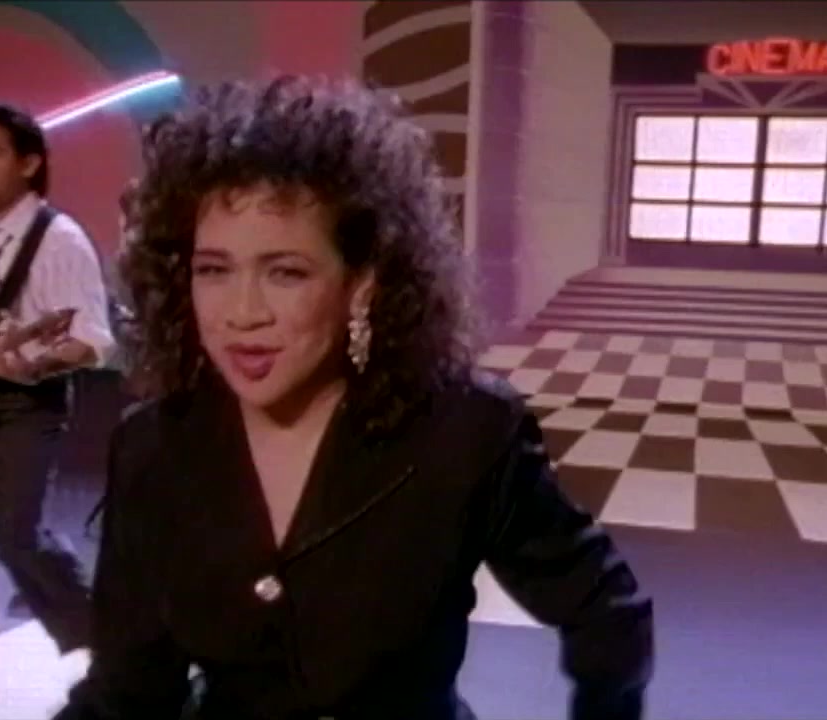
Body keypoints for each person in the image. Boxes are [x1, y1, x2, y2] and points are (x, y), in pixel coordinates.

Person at [53, 75, 654, 720]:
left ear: (360, 285)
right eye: (214, 270)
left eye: (286, 272)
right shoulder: (152, 448)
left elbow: (607, 615)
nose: (242, 312)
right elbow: (127, 696)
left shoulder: (465, 433)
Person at [0, 99, 115, 716]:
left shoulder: (61, 240)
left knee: (20, 540)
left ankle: (98, 637)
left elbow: (92, 339)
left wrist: (33, 364)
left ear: (30, 163)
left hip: (25, 409)